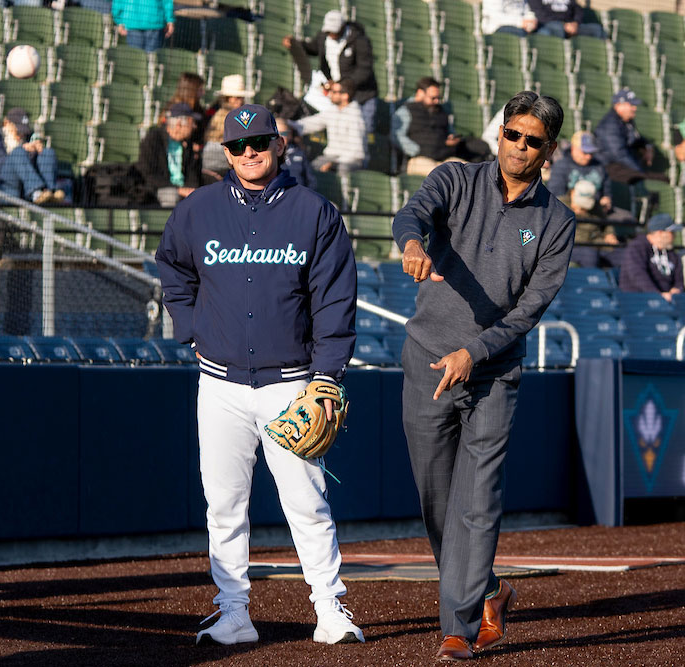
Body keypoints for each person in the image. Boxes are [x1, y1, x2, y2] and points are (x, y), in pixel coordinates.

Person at [156, 104, 363, 648]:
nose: (250, 152)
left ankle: (329, 608)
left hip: (291, 382)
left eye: (260, 143)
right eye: (239, 146)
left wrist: (327, 377)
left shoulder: (315, 212)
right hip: (219, 384)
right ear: (225, 153)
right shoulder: (197, 210)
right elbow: (172, 267)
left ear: (280, 145)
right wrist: (190, 327)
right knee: (223, 505)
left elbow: (336, 300)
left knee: (307, 503)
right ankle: (233, 612)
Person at [392, 91, 574, 661]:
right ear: (500, 133)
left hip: (493, 373)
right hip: (426, 360)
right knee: (436, 501)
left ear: (549, 150)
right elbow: (413, 211)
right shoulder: (455, 179)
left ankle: (458, 629)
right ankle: (488, 589)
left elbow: (530, 309)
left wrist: (475, 351)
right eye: (512, 133)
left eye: (533, 141)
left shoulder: (557, 221)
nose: (519, 147)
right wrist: (413, 242)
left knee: (480, 501)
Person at [283, 10, 379, 133]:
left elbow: (364, 70)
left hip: (362, 96)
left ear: (343, 27)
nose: (331, 34)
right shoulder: (323, 37)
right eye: (329, 31)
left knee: (362, 130)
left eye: (335, 31)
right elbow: (313, 48)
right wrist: (295, 44)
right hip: (338, 92)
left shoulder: (360, 41)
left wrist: (343, 84)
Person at [392, 77, 491, 176]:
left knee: (470, 173)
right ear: (420, 93)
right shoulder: (406, 111)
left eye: (438, 98)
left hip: (446, 157)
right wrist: (415, 150)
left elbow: (450, 132)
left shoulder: (441, 110)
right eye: (433, 98)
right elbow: (396, 135)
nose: (436, 101)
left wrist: (451, 139)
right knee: (440, 175)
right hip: (419, 159)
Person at [0, 108, 64, 204]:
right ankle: (36, 192)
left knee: (47, 153)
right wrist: (17, 151)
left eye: (23, 132)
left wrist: (35, 152)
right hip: (5, 182)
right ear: (7, 124)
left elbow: (28, 165)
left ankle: (50, 192)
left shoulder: (29, 137)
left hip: (24, 182)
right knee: (18, 152)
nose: (21, 135)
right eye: (18, 131)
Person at [594, 88, 670, 186]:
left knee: (662, 178)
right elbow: (619, 154)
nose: (635, 108)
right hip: (608, 167)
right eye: (631, 105)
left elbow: (636, 139)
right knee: (647, 179)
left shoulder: (626, 121)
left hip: (621, 166)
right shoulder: (609, 125)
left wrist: (647, 146)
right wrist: (640, 171)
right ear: (619, 106)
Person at [295, 78, 366, 176]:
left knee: (342, 168)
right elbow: (311, 123)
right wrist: (288, 125)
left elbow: (357, 152)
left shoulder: (356, 116)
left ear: (345, 96)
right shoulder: (333, 110)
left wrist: (334, 164)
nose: (330, 94)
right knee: (309, 169)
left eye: (334, 92)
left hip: (350, 160)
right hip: (330, 157)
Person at [135, 102, 202, 206]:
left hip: (183, 188)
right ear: (179, 124)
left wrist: (192, 190)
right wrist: (177, 189)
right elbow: (148, 175)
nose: (194, 126)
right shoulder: (153, 139)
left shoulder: (189, 144)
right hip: (161, 188)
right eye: (191, 122)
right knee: (171, 196)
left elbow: (192, 174)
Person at [618, 213, 683, 301]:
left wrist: (676, 290)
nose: (674, 236)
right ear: (660, 233)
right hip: (640, 300)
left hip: (668, 301)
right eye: (671, 232)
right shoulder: (637, 247)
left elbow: (679, 280)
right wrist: (657, 295)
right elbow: (637, 276)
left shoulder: (672, 254)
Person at [201, 75, 255, 176]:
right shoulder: (225, 116)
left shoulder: (221, 113)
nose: (240, 101)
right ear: (227, 99)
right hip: (218, 162)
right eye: (236, 98)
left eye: (241, 98)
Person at [562, 180, 622, 268]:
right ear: (572, 192)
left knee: (623, 254)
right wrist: (575, 214)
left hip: (597, 243)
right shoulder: (560, 204)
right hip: (574, 246)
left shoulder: (596, 207)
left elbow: (606, 223)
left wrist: (610, 234)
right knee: (589, 255)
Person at [525, 0, 605, 38]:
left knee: (597, 29)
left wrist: (575, 22)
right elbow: (540, 14)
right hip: (548, 25)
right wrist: (564, 25)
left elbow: (577, 8)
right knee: (557, 28)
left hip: (571, 25)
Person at [279, 119, 316, 190]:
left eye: (284, 133)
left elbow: (311, 180)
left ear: (290, 135)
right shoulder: (269, 156)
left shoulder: (300, 153)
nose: (281, 137)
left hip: (301, 196)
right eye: (277, 133)